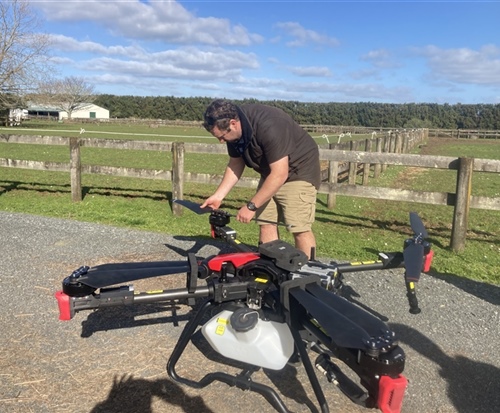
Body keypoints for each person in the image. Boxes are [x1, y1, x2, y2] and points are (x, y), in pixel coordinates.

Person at [200, 99, 321, 259]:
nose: (222, 141)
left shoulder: (270, 124)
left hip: (297, 170)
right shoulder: (233, 133)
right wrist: (218, 196)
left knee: (298, 227)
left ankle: (308, 273)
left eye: (222, 137)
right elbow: (236, 163)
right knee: (266, 223)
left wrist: (251, 207)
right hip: (271, 172)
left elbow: (280, 174)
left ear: (233, 123)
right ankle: (271, 269)